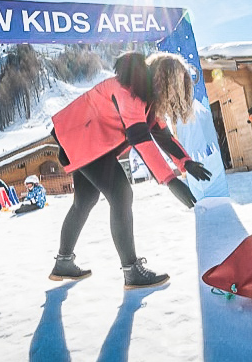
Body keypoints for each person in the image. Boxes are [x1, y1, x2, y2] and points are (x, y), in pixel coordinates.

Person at [48, 51, 212, 289]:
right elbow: (140, 137)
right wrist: (170, 180)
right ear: (163, 81)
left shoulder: (146, 96)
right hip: (84, 139)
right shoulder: (128, 92)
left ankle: (63, 262)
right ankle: (131, 270)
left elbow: (162, 135)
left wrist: (186, 163)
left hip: (81, 139)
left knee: (85, 201)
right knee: (122, 194)